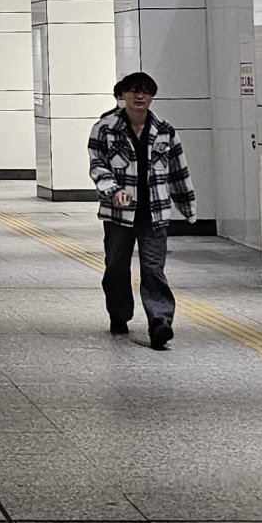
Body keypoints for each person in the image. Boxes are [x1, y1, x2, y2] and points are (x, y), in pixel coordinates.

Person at [88, 72, 194, 345]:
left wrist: (187, 205)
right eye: (134, 91)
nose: (140, 96)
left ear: (152, 97)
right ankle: (119, 314)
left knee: (154, 268)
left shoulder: (165, 130)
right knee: (116, 268)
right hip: (118, 214)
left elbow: (178, 171)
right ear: (122, 95)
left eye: (145, 92)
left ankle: (160, 321)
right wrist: (113, 191)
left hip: (154, 212)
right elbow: (98, 165)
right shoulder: (105, 128)